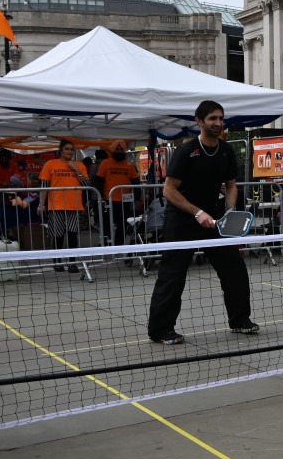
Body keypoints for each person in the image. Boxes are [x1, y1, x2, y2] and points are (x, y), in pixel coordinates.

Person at [147, 100, 258, 345]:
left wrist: (229, 211)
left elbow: (231, 185)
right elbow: (169, 191)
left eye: (220, 118)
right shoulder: (185, 152)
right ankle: (161, 329)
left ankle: (240, 320)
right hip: (182, 218)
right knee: (172, 275)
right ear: (199, 121)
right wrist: (197, 212)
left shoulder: (226, 151)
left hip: (215, 218)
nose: (218, 123)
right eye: (212, 119)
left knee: (234, 270)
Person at [38, 140, 89, 273]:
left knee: (72, 234)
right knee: (57, 235)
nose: (70, 152)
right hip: (56, 205)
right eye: (67, 149)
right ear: (61, 150)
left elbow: (86, 185)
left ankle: (72, 262)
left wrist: (76, 169)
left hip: (74, 205)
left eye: (72, 149)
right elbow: (44, 185)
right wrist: (41, 204)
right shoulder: (51, 164)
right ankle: (57, 261)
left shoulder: (80, 165)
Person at [96, 141, 140, 246]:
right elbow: (99, 181)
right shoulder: (105, 163)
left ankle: (119, 246)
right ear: (113, 150)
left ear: (124, 151)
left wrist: (137, 198)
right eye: (117, 149)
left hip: (124, 200)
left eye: (121, 149)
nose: (119, 151)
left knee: (122, 225)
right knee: (107, 224)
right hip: (108, 199)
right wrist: (100, 196)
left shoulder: (130, 165)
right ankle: (107, 245)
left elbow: (135, 182)